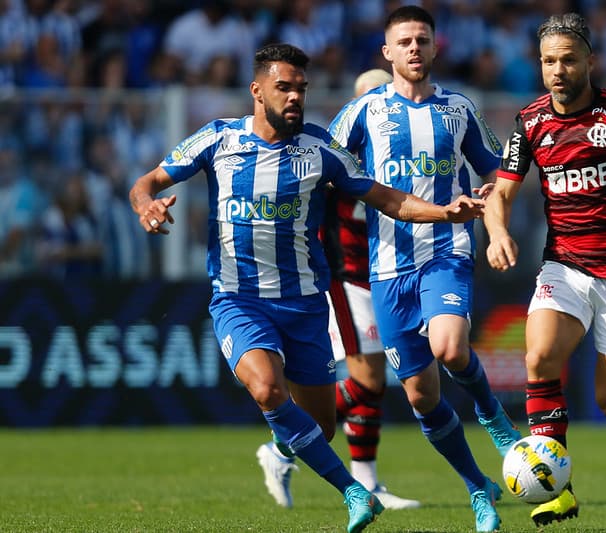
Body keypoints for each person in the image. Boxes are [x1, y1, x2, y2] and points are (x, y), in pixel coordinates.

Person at [128, 43, 485, 533]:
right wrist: (146, 204)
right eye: (284, 87)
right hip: (239, 298)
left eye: (301, 88)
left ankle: (290, 456)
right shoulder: (218, 140)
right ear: (257, 91)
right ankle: (357, 492)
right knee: (267, 387)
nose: (295, 96)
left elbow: (385, 197)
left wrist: (445, 212)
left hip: (305, 305)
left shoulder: (320, 150)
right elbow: (145, 181)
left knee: (320, 428)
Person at [483, 12, 606, 527]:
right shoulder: (530, 122)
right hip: (565, 267)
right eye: (549, 60)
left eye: (568, 60)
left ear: (590, 61)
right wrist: (499, 232)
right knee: (540, 354)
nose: (557, 70)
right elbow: (500, 192)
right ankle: (558, 490)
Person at [328, 6, 522, 532]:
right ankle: (478, 486)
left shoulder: (459, 108)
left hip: (446, 249)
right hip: (387, 269)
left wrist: (492, 208)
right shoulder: (361, 113)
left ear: (436, 48)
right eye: (405, 42)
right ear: (387, 53)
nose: (415, 49)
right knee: (421, 396)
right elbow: (324, 167)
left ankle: (493, 415)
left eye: (423, 40)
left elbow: (498, 172)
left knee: (451, 348)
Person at [257, 67, 420, 512]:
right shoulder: (334, 152)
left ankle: (356, 476)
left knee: (376, 382)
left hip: (388, 273)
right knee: (368, 379)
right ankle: (282, 446)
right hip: (343, 274)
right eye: (369, 98)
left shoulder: (402, 148)